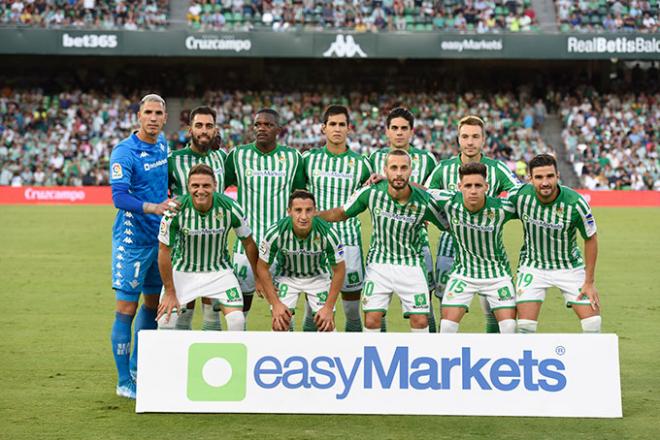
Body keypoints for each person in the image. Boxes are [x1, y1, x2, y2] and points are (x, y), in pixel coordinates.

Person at [320, 149, 447, 332]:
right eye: (393, 167)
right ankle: (373, 359)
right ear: (385, 170)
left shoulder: (424, 201)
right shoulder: (371, 192)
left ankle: (422, 359)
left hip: (411, 264)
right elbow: (340, 213)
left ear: (410, 171)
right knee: (371, 320)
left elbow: (447, 224)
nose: (398, 173)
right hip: (379, 264)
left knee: (420, 321)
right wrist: (313, 216)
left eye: (403, 168)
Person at [425, 115, 519, 333]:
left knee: (492, 309)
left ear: (483, 140)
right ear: (458, 139)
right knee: (445, 306)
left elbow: (517, 192)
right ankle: (441, 356)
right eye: (465, 136)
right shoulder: (443, 168)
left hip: (487, 248)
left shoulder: (497, 168)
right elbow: (426, 197)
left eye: (475, 136)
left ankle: (495, 357)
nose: (470, 142)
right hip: (450, 246)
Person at [109, 94, 175, 399]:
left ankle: (138, 369)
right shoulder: (125, 152)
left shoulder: (163, 144)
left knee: (152, 306)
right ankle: (124, 381)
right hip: (132, 242)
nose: (153, 118)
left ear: (164, 117)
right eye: (147, 112)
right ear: (138, 116)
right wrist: (155, 207)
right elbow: (119, 198)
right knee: (126, 308)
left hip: (159, 240)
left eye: (158, 113)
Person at [224, 109, 306, 328]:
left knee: (283, 315)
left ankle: (284, 358)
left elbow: (300, 200)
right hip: (245, 247)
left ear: (278, 129)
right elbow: (217, 188)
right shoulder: (238, 155)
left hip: (282, 248)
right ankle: (237, 355)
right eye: (258, 124)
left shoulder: (292, 157)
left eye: (268, 125)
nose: (261, 128)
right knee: (238, 314)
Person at [156, 164, 258, 332]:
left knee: (237, 321)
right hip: (183, 272)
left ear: (215, 186)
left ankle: (231, 357)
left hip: (219, 272)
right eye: (195, 185)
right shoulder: (175, 210)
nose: (200, 190)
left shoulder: (230, 207)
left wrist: (259, 278)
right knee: (164, 322)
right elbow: (164, 251)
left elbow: (248, 242)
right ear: (188, 186)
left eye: (206, 185)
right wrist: (169, 291)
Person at [508, 154, 601, 333]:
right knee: (525, 327)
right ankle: (526, 361)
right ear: (530, 178)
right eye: (539, 177)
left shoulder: (576, 203)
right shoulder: (519, 196)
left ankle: (591, 360)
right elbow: (496, 216)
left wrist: (589, 281)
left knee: (593, 323)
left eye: (550, 176)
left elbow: (591, 238)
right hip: (532, 266)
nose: (545, 182)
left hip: (569, 267)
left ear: (558, 175)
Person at [301, 105, 371, 332]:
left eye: (342, 124)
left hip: (348, 243)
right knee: (313, 309)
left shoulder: (361, 163)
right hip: (315, 242)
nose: (337, 129)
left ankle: (355, 357)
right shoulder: (309, 159)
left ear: (349, 129)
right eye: (332, 124)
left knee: (351, 311)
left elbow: (369, 198)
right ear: (323, 128)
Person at [368, 107, 438, 332]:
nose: (399, 133)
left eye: (404, 128)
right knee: (378, 309)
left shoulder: (426, 159)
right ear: (387, 131)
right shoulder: (375, 158)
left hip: (419, 245)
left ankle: (431, 353)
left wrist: (405, 186)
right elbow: (368, 191)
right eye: (394, 128)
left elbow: (433, 194)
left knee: (424, 308)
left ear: (412, 131)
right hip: (383, 247)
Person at [164, 106, 227, 331]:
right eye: (199, 125)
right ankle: (182, 365)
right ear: (189, 129)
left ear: (215, 129)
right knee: (183, 314)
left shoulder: (222, 158)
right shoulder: (173, 161)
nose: (203, 130)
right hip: (182, 254)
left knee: (213, 316)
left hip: (215, 253)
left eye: (209, 126)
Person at [257, 190, 346, 332]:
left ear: (315, 211)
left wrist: (328, 307)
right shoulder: (276, 233)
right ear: (289, 211)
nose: (303, 216)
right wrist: (275, 304)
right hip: (287, 276)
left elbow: (339, 270)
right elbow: (262, 267)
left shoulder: (328, 234)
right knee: (279, 325)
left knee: (327, 326)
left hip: (318, 277)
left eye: (308, 210)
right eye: (298, 210)